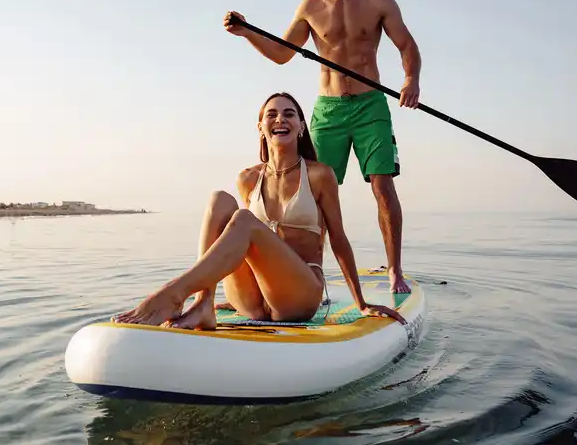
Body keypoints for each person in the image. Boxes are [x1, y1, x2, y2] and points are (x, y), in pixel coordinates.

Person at [223, 0, 422, 295]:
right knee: (315, 191)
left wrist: (411, 80)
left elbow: (407, 45)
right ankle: (312, 272)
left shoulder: (379, 1)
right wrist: (248, 32)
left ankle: (395, 271)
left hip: (370, 105)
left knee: (382, 186)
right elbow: (283, 53)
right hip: (328, 110)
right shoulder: (310, 7)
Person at [112, 92, 405, 330]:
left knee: (244, 219)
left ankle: (172, 293)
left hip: (298, 297)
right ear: (260, 127)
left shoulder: (319, 175)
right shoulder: (248, 178)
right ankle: (204, 303)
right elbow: (237, 246)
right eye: (272, 114)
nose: (281, 119)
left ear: (302, 126)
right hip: (254, 300)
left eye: (290, 114)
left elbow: (338, 239)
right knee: (220, 201)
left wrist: (360, 302)